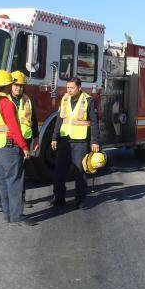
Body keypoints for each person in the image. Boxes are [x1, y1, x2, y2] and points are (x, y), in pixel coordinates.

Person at [0, 70, 35, 226]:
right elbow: (14, 128)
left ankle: (7, 214)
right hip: (10, 146)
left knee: (3, 180)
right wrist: (24, 147)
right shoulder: (7, 103)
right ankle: (17, 215)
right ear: (7, 85)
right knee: (15, 181)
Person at [50, 77, 100, 209]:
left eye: (72, 88)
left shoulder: (88, 100)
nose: (69, 90)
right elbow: (59, 120)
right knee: (59, 171)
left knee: (80, 172)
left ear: (79, 87)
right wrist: (54, 137)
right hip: (65, 140)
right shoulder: (64, 99)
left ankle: (80, 200)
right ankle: (59, 198)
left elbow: (94, 122)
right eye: (68, 88)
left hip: (80, 142)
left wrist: (95, 141)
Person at [11, 70, 39, 203]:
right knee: (9, 172)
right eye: (16, 85)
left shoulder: (28, 100)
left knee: (22, 171)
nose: (18, 88)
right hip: (10, 140)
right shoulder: (6, 100)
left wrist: (36, 138)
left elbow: (33, 119)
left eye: (21, 85)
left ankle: (20, 199)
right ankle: (2, 200)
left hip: (26, 140)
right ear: (11, 85)